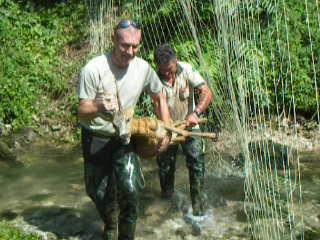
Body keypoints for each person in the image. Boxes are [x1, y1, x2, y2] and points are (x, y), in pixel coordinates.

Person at [77, 20, 171, 240]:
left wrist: (166, 129)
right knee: (97, 192)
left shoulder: (143, 69)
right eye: (125, 46)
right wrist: (99, 105)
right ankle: (110, 224)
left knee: (131, 190)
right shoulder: (93, 69)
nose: (131, 52)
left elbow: (159, 96)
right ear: (113, 40)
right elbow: (82, 110)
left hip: (124, 137)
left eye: (135, 46)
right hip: (95, 137)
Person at [154, 43, 212, 217]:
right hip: (166, 128)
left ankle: (198, 210)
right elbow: (156, 103)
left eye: (170, 70)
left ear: (176, 61)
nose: (168, 74)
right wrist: (167, 128)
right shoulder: (153, 78)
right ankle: (167, 208)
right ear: (157, 67)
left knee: (196, 164)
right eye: (164, 71)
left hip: (190, 125)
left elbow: (206, 92)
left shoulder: (187, 69)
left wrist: (196, 113)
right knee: (165, 167)